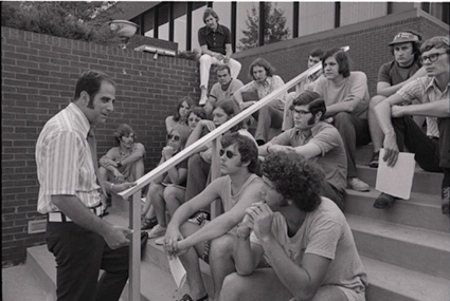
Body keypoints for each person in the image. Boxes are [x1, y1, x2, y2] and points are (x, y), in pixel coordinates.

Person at [35, 70, 137, 301]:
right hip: (74, 231)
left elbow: (79, 178)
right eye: (105, 99)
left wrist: (110, 188)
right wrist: (107, 230)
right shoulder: (67, 132)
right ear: (84, 97)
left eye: (113, 101)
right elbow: (61, 197)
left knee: (123, 259)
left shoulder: (81, 129)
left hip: (84, 226)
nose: (111, 107)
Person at [219, 152, 368, 301]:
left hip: (339, 287)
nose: (261, 191)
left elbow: (305, 292)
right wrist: (242, 234)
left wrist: (266, 237)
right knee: (232, 284)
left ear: (290, 197)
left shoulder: (327, 218)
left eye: (269, 186)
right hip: (297, 280)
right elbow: (244, 269)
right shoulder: (273, 209)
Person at [164, 132, 264, 301]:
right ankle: (198, 293)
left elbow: (229, 220)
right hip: (231, 247)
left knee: (221, 242)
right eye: (222, 152)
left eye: (230, 154)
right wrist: (172, 228)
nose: (223, 158)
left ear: (246, 161)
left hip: (255, 254)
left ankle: (219, 297)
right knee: (182, 228)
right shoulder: (223, 182)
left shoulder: (256, 186)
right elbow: (188, 206)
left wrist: (186, 243)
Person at [374, 36, 450, 214]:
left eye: (434, 56)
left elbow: (447, 108)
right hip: (433, 151)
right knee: (393, 113)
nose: (427, 63)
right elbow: (381, 105)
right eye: (424, 58)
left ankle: (448, 185)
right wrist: (389, 134)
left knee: (446, 117)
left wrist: (406, 109)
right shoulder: (421, 83)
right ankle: (393, 186)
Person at [259, 91, 347, 210]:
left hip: (330, 192)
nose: (296, 116)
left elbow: (299, 154)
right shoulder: (295, 132)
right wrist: (271, 148)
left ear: (317, 115)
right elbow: (260, 149)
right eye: (295, 111)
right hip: (306, 186)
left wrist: (275, 151)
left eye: (302, 112)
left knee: (294, 172)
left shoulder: (329, 132)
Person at [313, 48, 371, 192]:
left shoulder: (358, 77)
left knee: (343, 116)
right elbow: (313, 108)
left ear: (342, 65)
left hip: (360, 129)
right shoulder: (321, 82)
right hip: (334, 127)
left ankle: (350, 176)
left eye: (332, 64)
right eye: (325, 65)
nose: (327, 68)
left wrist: (325, 112)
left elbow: (350, 106)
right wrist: (329, 114)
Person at [367, 31, 426, 168]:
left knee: (420, 95)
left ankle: (410, 144)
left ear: (414, 50)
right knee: (376, 100)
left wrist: (402, 91)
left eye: (404, 48)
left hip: (418, 114)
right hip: (394, 108)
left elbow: (424, 88)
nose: (399, 53)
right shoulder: (387, 67)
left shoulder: (423, 63)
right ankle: (377, 152)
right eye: (396, 49)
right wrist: (411, 82)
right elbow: (381, 91)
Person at [184, 99, 246, 204]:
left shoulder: (241, 135)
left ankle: (206, 212)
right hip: (220, 174)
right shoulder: (218, 134)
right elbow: (188, 150)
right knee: (194, 159)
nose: (215, 119)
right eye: (214, 115)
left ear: (231, 117)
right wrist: (200, 125)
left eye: (219, 115)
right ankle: (194, 209)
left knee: (216, 161)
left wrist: (212, 153)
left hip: (236, 175)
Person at [141, 125, 191, 240]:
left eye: (176, 138)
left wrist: (168, 158)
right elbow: (157, 179)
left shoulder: (185, 156)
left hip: (187, 195)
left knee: (169, 191)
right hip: (174, 192)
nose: (172, 140)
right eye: (170, 137)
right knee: (154, 188)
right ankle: (162, 225)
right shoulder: (169, 154)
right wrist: (164, 157)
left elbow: (176, 180)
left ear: (183, 140)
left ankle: (175, 229)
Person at [234, 58, 287, 146]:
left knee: (263, 106)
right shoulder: (256, 83)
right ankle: (240, 130)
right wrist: (241, 103)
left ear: (266, 71)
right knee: (242, 99)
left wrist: (253, 103)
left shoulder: (276, 79)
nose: (257, 75)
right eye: (255, 73)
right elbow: (237, 93)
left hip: (281, 115)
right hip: (265, 113)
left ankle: (259, 141)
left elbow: (276, 101)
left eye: (260, 71)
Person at [198, 8, 242, 105]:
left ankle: (229, 88)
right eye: (207, 21)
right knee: (203, 59)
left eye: (211, 19)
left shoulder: (225, 30)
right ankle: (204, 93)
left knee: (237, 65)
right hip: (210, 55)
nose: (209, 22)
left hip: (222, 57)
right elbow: (204, 50)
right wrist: (214, 54)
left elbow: (229, 49)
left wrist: (228, 57)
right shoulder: (201, 31)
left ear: (216, 18)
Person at [98, 123, 145, 211]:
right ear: (120, 138)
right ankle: (103, 203)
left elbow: (139, 154)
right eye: (127, 137)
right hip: (119, 181)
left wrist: (119, 163)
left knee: (138, 160)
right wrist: (115, 170)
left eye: (131, 136)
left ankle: (138, 193)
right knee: (102, 169)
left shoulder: (137, 146)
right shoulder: (114, 151)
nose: (130, 139)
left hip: (133, 181)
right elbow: (102, 160)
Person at [283, 48, 324, 131]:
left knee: (293, 99)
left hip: (318, 106)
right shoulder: (306, 77)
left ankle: (295, 131)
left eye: (315, 62)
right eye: (310, 60)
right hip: (304, 104)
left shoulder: (324, 77)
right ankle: (286, 131)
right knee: (290, 97)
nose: (311, 64)